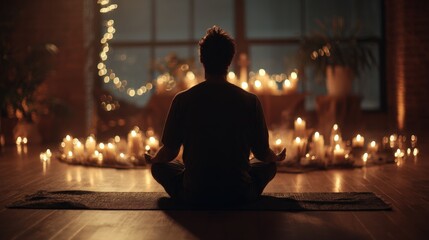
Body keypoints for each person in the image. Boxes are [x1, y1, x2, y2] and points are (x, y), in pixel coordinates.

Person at [146, 26, 286, 206]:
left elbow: (170, 151)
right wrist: (275, 158)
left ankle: (191, 189)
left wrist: (154, 160)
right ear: (230, 60)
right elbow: (261, 152)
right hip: (239, 194)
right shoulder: (250, 101)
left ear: (202, 59)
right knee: (268, 167)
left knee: (160, 168)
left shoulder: (183, 99)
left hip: (194, 193)